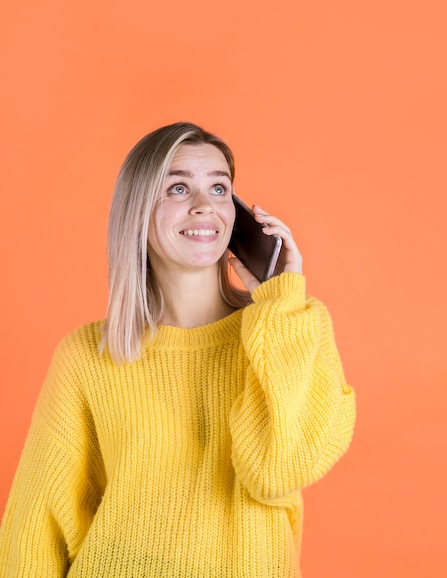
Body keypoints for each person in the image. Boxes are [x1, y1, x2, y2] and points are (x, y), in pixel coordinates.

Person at [0, 122, 356, 577]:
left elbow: (278, 471)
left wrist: (281, 301)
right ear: (138, 210)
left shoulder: (291, 328)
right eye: (178, 188)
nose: (205, 206)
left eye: (219, 187)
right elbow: (38, 524)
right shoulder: (89, 355)